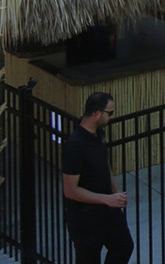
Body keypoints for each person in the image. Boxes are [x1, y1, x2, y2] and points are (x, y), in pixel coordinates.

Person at [62, 91, 132, 264]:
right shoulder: (75, 146)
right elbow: (70, 190)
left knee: (124, 246)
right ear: (97, 113)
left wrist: (115, 193)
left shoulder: (99, 134)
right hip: (85, 217)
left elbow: (104, 164)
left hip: (108, 210)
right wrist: (107, 199)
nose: (112, 117)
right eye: (110, 113)